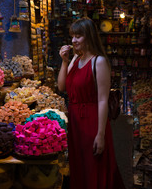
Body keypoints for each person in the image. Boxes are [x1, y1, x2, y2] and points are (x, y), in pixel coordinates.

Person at [58, 17, 125, 189]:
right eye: (72, 36)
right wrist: (65, 62)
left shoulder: (99, 61)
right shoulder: (74, 60)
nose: (73, 40)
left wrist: (100, 134)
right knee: (79, 167)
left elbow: (102, 100)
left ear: (88, 37)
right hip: (75, 122)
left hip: (92, 122)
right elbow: (62, 86)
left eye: (78, 36)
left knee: (95, 167)